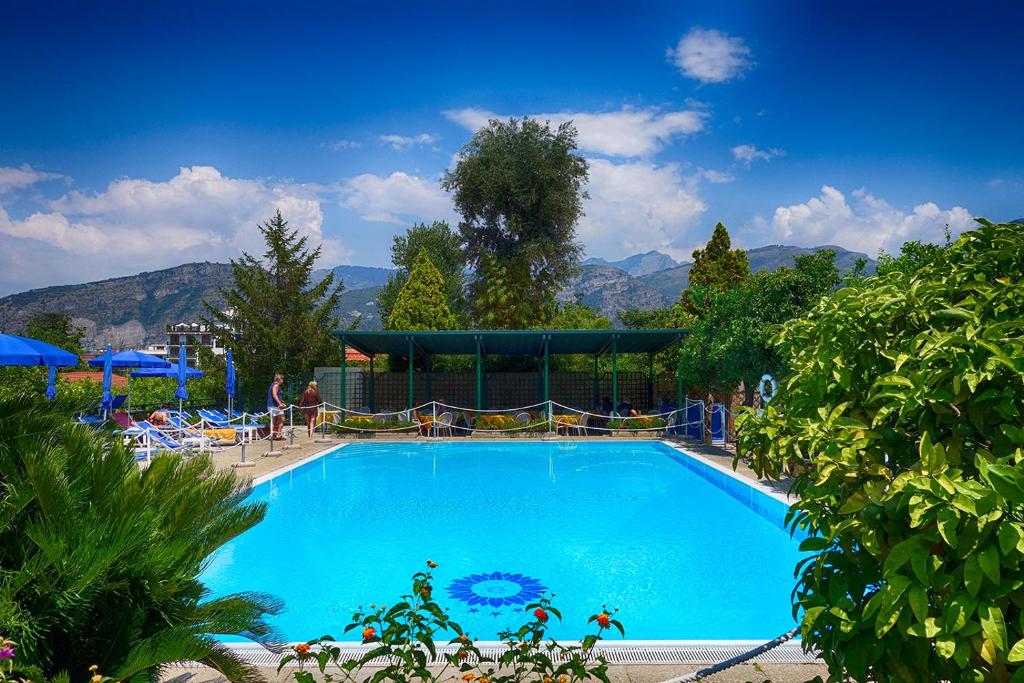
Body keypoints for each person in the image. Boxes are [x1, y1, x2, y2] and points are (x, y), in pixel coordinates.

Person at [267, 373, 286, 439]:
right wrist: (280, 404)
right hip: (275, 406)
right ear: (279, 379)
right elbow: (274, 395)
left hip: (270, 405)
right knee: (282, 419)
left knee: (273, 421)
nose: (283, 380)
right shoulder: (276, 385)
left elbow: (276, 396)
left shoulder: (272, 385)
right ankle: (278, 434)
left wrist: (281, 402)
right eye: (282, 379)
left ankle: (271, 435)